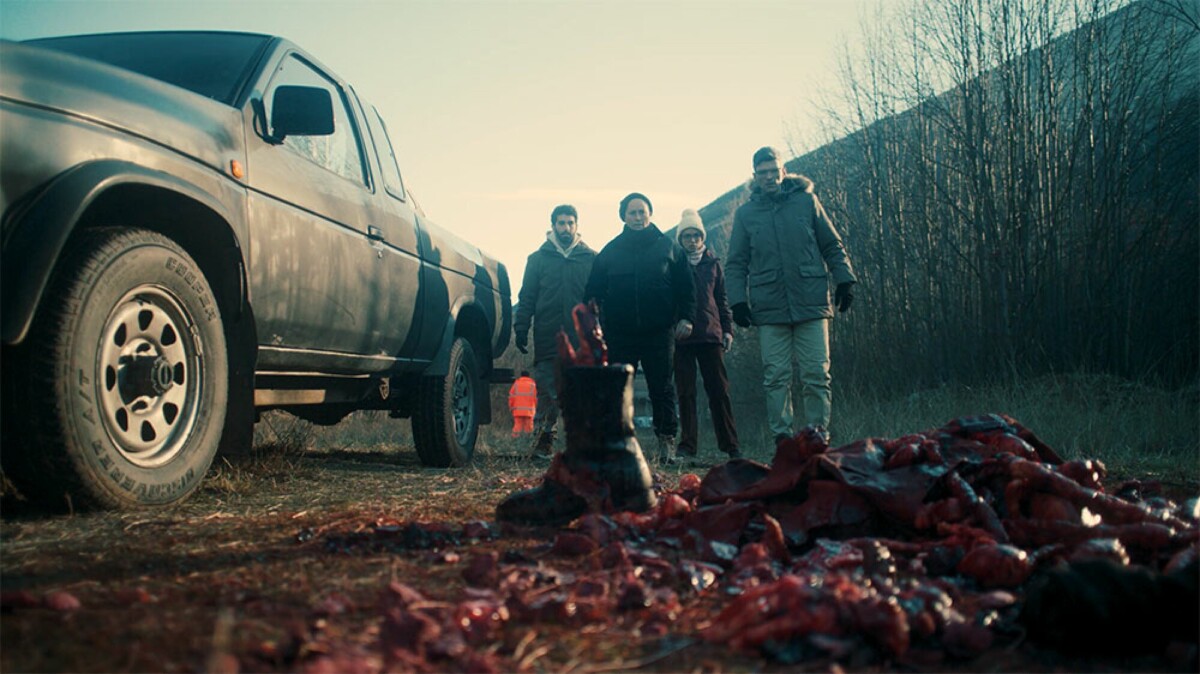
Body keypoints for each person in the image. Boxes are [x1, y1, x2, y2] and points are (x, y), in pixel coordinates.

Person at [726, 147, 857, 445]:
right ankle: (783, 441)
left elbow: (832, 245)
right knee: (775, 377)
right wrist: (738, 301)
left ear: (784, 171)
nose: (770, 177)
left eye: (774, 171)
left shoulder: (807, 201)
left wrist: (845, 280)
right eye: (763, 173)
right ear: (755, 176)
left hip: (810, 300)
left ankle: (817, 438)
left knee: (816, 374)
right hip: (769, 306)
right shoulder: (746, 214)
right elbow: (736, 263)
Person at [585, 192, 696, 463]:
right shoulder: (610, 251)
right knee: (618, 389)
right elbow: (592, 292)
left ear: (650, 213)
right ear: (623, 216)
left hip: (659, 332)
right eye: (632, 212)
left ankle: (666, 444)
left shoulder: (669, 248)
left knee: (663, 388)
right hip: (619, 333)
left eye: (642, 211)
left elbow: (687, 290)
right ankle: (616, 443)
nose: (637, 217)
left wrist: (687, 319)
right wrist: (592, 312)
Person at [513, 204, 597, 457]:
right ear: (552, 226)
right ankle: (543, 441)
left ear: (577, 225)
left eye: (570, 222)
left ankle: (583, 444)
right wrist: (521, 326)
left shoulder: (592, 258)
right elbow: (527, 296)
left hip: (581, 338)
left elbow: (600, 299)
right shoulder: (537, 260)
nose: (566, 227)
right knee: (547, 392)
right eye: (561, 223)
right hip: (548, 336)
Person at [673, 209, 741, 460]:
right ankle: (687, 446)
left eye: (696, 235)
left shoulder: (714, 264)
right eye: (687, 236)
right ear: (680, 239)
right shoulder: (673, 264)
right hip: (683, 338)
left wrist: (728, 330)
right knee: (685, 392)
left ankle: (731, 445)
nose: (692, 240)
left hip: (711, 336)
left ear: (703, 237)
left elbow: (722, 300)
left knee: (719, 391)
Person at [507, 370, 537, 437]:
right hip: (529, 411)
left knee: (517, 427)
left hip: (518, 410)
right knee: (529, 428)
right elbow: (536, 398)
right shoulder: (533, 385)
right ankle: (528, 440)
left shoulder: (516, 384)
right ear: (529, 376)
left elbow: (511, 397)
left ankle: (515, 440)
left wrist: (511, 407)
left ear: (521, 376)